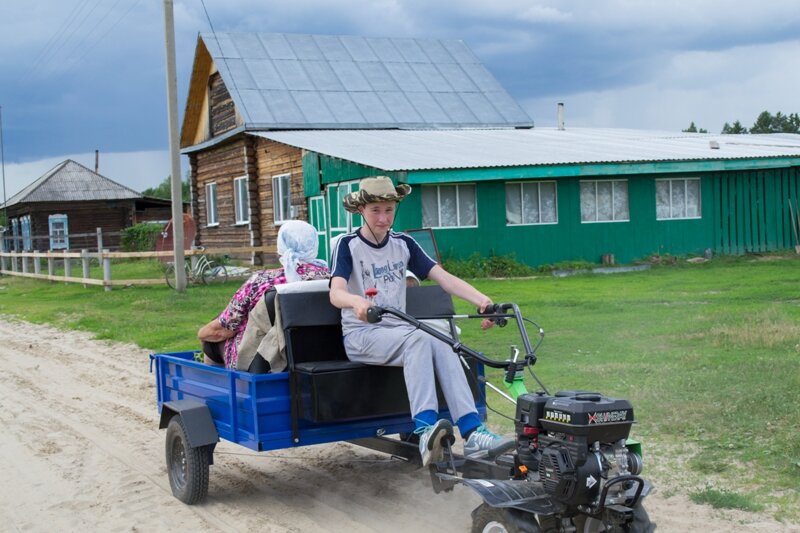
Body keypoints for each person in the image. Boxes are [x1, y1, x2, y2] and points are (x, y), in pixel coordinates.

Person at [329, 176, 512, 466]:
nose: (383, 218)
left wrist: (483, 301)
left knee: (441, 334)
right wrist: (357, 302)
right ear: (361, 209)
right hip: (361, 335)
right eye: (376, 210)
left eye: (389, 210)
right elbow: (336, 292)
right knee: (418, 337)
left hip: (399, 331)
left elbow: (444, 278)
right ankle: (426, 429)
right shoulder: (348, 245)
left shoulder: (404, 244)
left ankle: (473, 431)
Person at [198, 220, 329, 370]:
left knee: (212, 340)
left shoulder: (261, 281)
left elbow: (225, 328)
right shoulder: (332, 279)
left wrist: (202, 333)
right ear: (314, 246)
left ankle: (223, 389)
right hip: (321, 353)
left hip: (267, 359)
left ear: (281, 247)